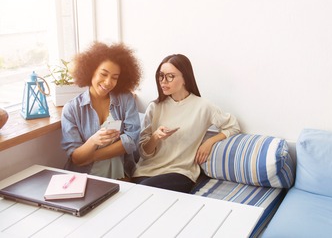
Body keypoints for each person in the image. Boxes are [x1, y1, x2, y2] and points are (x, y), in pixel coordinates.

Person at [132, 54, 240, 193]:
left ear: (185, 78)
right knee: (139, 193)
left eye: (170, 76)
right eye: (161, 75)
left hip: (180, 172)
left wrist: (210, 142)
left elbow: (233, 126)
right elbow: (143, 152)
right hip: (145, 172)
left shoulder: (203, 106)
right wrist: (155, 137)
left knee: (142, 192)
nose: (163, 81)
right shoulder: (155, 107)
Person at [61, 42, 142, 180]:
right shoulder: (72, 109)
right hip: (86, 179)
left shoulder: (125, 99)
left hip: (122, 176)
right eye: (103, 74)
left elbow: (131, 140)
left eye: (115, 77)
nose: (108, 82)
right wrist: (93, 141)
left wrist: (93, 156)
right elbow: (76, 158)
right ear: (91, 71)